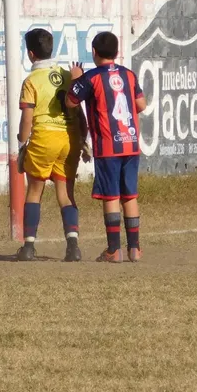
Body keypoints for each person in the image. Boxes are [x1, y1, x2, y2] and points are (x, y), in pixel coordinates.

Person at [65, 32, 147, 263]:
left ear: (93, 52)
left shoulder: (91, 78)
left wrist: (75, 79)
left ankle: (114, 250)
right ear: (116, 52)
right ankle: (135, 249)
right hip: (130, 144)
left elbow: (70, 101)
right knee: (129, 195)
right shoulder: (128, 75)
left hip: (108, 145)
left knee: (111, 196)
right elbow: (142, 104)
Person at [15, 28, 86, 263]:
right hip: (69, 137)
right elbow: (78, 108)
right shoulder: (67, 75)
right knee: (66, 194)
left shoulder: (31, 80)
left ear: (31, 54)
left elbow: (27, 118)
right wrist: (84, 138)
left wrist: (21, 141)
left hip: (44, 138)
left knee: (35, 191)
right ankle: (73, 247)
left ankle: (28, 247)